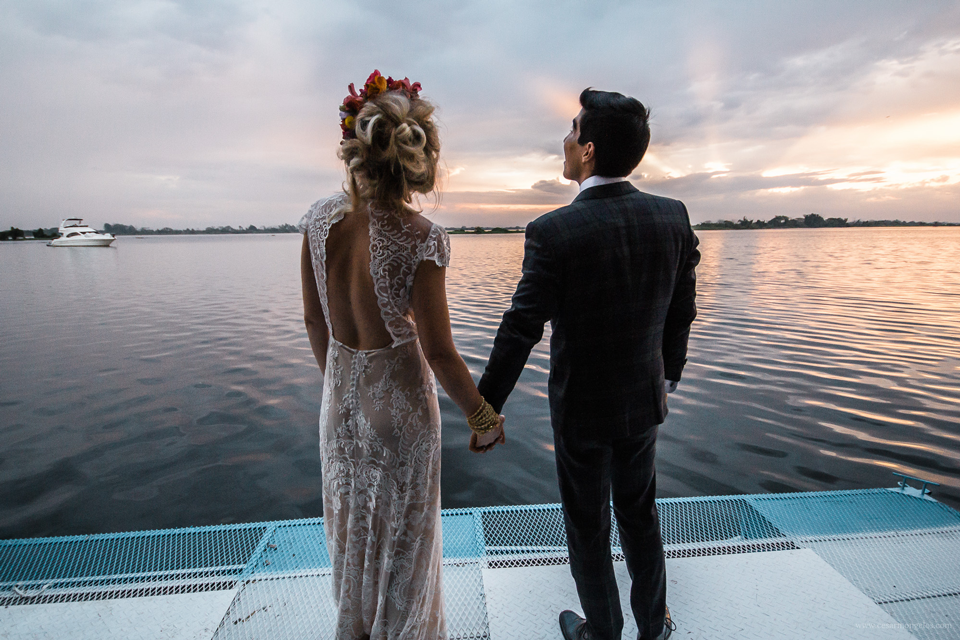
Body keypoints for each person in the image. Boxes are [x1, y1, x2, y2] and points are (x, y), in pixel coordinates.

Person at [477, 89, 700, 640]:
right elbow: (683, 307)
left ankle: (603, 632)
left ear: (590, 151)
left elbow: (521, 327)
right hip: (645, 401)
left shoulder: (553, 231)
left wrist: (484, 409)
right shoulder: (671, 216)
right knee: (640, 515)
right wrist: (667, 374)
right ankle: (654, 628)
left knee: (587, 525)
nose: (565, 139)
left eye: (573, 130)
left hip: (581, 411)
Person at [300, 71, 505, 640]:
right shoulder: (422, 236)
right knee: (404, 551)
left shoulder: (318, 221)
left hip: (338, 409)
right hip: (402, 416)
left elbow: (315, 320)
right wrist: (482, 415)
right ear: (414, 158)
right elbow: (439, 352)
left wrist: (341, 388)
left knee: (353, 542)